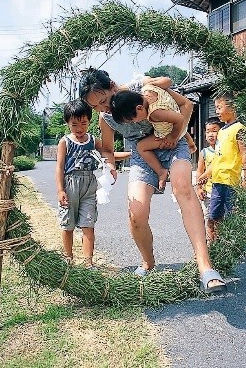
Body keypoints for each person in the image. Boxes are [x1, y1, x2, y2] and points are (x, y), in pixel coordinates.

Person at [79, 68, 226, 294]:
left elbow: (184, 106)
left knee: (183, 189)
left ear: (113, 86)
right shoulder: (106, 118)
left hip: (173, 144)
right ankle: (148, 261)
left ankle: (205, 267)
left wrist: (175, 136)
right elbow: (107, 149)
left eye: (103, 101)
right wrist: (110, 166)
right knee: (136, 214)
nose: (103, 108)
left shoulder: (145, 90)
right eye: (95, 107)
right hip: (143, 154)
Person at [197, 93, 246, 256]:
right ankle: (220, 244)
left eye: (220, 107)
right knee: (214, 215)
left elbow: (245, 153)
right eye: (216, 108)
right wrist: (205, 175)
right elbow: (218, 157)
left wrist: (245, 177)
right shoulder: (222, 131)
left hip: (231, 181)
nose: (217, 111)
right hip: (217, 181)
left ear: (232, 107)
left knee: (234, 214)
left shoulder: (239, 129)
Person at [110, 86, 197, 192]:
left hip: (168, 132)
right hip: (171, 127)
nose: (134, 122)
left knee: (141, 147)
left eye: (132, 120)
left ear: (139, 108)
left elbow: (180, 119)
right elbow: (166, 82)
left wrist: (172, 137)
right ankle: (190, 144)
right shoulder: (149, 90)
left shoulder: (154, 114)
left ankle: (161, 171)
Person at [55, 99, 102, 267]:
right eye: (74, 124)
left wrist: (131, 154)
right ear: (67, 123)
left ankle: (88, 263)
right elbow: (59, 167)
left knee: (88, 224)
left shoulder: (93, 141)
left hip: (89, 184)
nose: (79, 128)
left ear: (89, 121)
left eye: (84, 123)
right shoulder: (65, 142)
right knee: (67, 224)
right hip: (70, 184)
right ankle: (68, 258)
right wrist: (61, 190)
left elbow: (108, 153)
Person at [195, 116, 224, 243]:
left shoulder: (225, 150)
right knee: (209, 218)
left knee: (221, 218)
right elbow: (199, 171)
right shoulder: (204, 152)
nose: (210, 134)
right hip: (208, 193)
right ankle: (210, 243)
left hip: (223, 190)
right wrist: (199, 188)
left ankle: (220, 242)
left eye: (214, 131)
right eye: (208, 131)